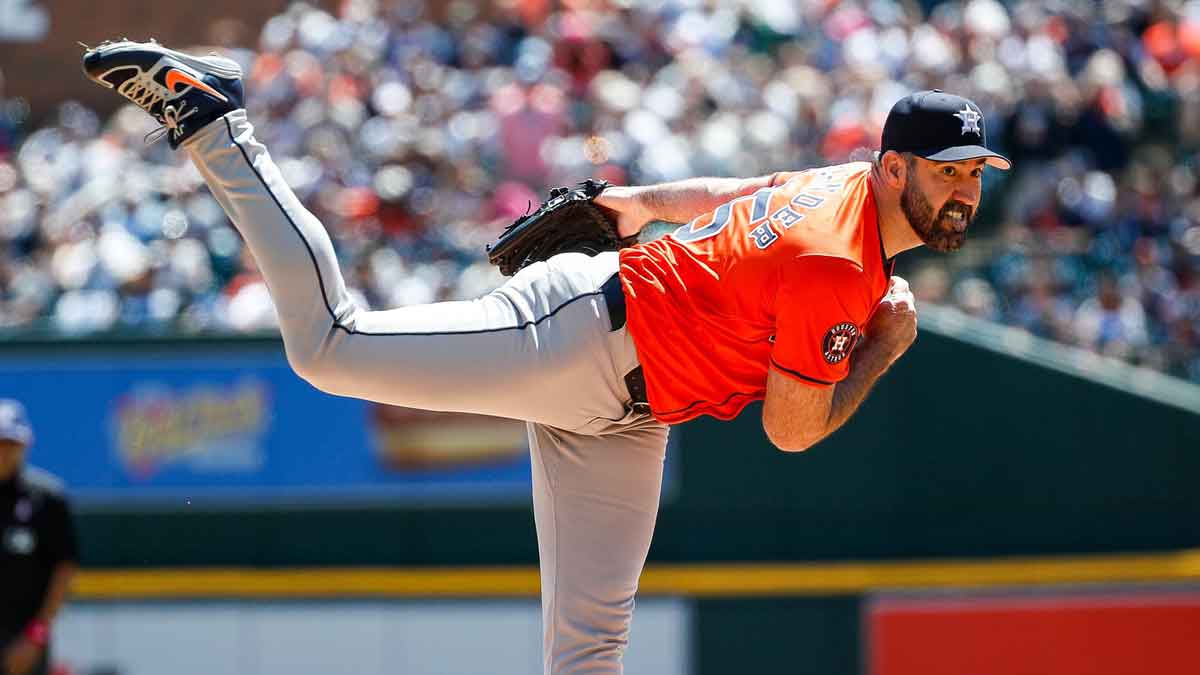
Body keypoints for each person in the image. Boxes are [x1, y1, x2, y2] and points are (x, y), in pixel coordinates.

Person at [82, 40, 1010, 674]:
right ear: (893, 169)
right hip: (583, 336)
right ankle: (217, 123)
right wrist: (883, 347)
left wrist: (638, 201)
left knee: (590, 654)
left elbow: (740, 190)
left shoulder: (841, 184)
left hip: (634, 409)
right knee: (329, 344)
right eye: (946, 171)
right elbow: (792, 427)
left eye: (972, 172)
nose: (964, 190)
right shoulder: (838, 265)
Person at [0, 399, 78, 675]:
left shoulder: (47, 498)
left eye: (11, 443)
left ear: (26, 444)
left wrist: (36, 635)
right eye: (0, 443)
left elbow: (64, 568)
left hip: (24, 640)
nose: (4, 451)